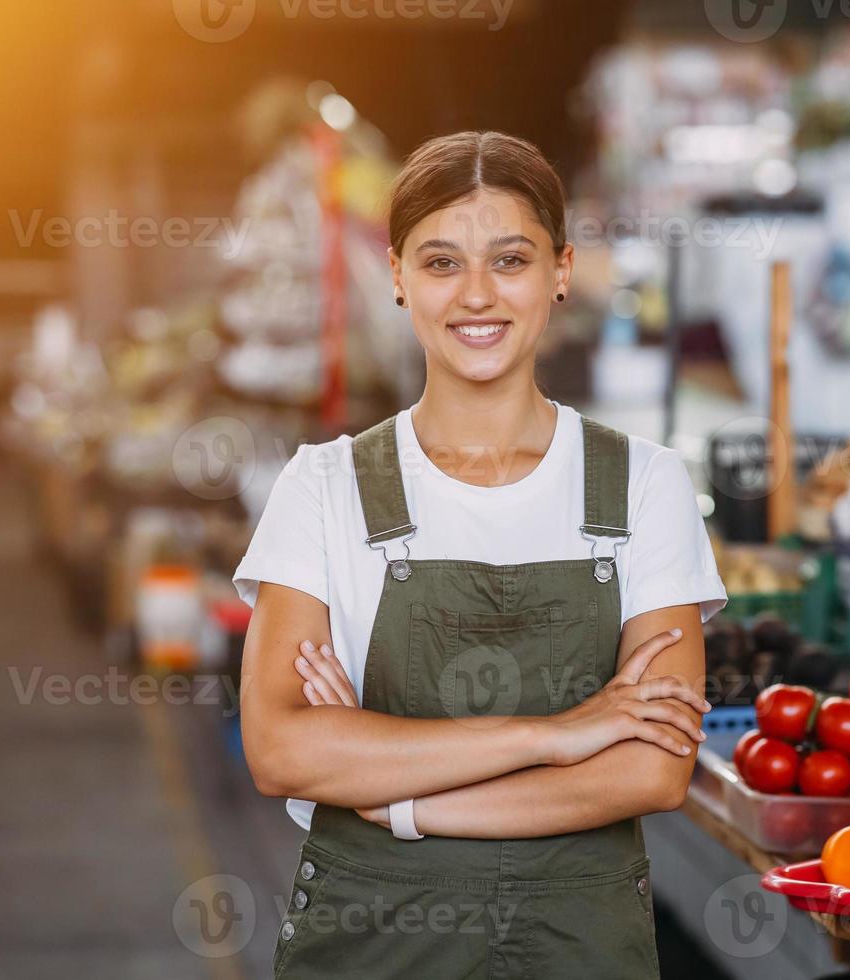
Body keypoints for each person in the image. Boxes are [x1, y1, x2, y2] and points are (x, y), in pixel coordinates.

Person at [234, 131, 728, 978]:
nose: (475, 296)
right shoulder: (323, 487)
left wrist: (392, 794)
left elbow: (651, 769)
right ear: (395, 276)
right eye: (438, 263)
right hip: (370, 945)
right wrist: (562, 733)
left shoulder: (646, 486)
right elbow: (283, 751)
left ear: (561, 271)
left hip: (580, 948)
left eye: (509, 259)